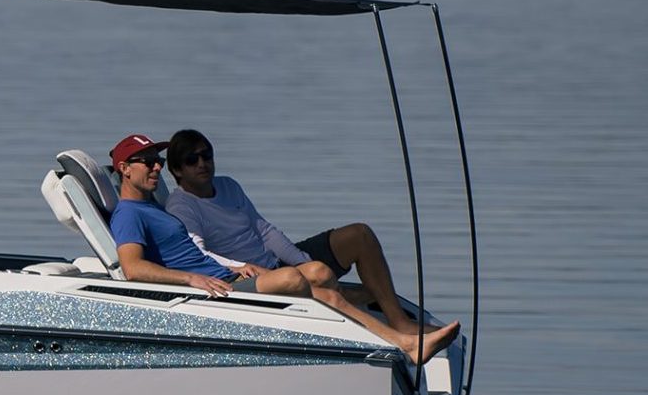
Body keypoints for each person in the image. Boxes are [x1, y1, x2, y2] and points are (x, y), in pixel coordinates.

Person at [106, 134, 456, 363]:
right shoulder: (129, 214)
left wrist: (228, 269)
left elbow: (261, 229)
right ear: (124, 169)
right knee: (300, 280)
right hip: (219, 286)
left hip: (227, 276)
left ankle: (400, 337)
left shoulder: (152, 207)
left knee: (316, 281)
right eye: (148, 162)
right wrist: (192, 279)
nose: (156, 167)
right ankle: (401, 342)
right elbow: (133, 269)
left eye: (158, 162)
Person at [161, 129, 433, 336]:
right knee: (321, 274)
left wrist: (302, 261)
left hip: (275, 263)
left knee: (359, 236)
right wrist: (241, 266)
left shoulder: (228, 185)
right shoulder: (181, 204)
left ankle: (398, 321)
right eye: (191, 160)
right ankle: (360, 315)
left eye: (206, 156)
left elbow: (264, 230)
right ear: (176, 170)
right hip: (245, 278)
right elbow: (197, 252)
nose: (202, 164)